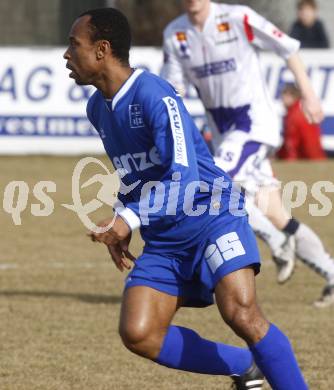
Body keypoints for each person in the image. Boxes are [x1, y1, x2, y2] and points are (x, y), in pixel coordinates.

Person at [63, 8, 309, 390]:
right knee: (139, 332)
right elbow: (132, 173)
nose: (66, 54)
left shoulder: (153, 94)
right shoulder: (98, 107)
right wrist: (120, 216)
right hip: (166, 239)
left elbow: (186, 179)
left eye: (73, 45)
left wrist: (131, 218)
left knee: (241, 313)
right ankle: (246, 366)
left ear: (102, 50)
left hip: (212, 217)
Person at [161, 0, 334, 307]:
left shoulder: (238, 17)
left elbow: (287, 47)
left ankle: (276, 241)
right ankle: (331, 273)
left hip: (253, 123)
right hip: (224, 133)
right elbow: (173, 90)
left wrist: (308, 94)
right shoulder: (176, 34)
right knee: (277, 214)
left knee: (212, 186)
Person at [277, 84, 327, 160]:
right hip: (308, 158)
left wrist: (289, 160)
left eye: (285, 95)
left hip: (306, 159)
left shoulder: (297, 115)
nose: (282, 99)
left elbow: (295, 144)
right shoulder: (293, 113)